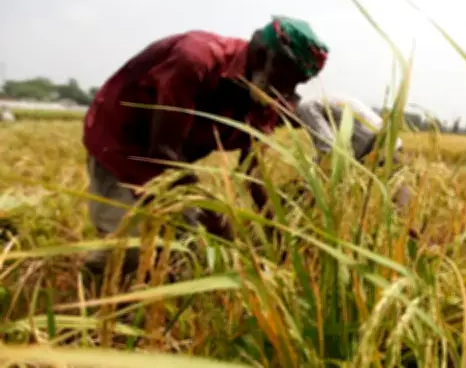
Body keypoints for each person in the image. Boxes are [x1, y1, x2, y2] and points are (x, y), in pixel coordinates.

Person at [82, 16, 328, 277]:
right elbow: (163, 151)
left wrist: (276, 228)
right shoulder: (195, 59)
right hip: (121, 145)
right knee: (128, 252)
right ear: (263, 53)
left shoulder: (267, 93)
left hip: (176, 160)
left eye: (297, 83)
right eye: (287, 77)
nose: (287, 90)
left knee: (192, 254)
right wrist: (214, 216)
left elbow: (252, 173)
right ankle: (94, 283)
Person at [291, 95, 412, 209]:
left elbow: (329, 148)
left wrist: (308, 184)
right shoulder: (323, 100)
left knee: (397, 192)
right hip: (389, 141)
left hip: (374, 145)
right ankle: (404, 225)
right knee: (401, 189)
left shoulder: (306, 107)